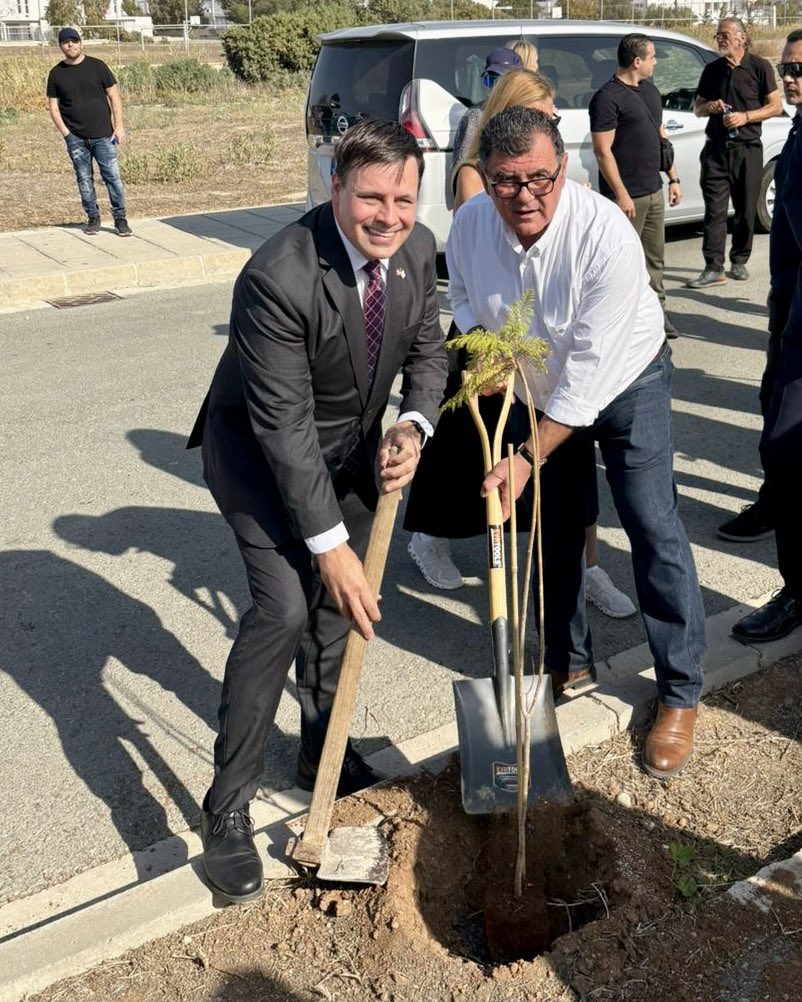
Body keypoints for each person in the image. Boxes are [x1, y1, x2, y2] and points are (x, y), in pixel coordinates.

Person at [187, 119, 448, 904]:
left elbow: (428, 350)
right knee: (287, 608)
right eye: (371, 196)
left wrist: (415, 423)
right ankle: (225, 808)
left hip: (349, 450)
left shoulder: (417, 248)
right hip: (261, 458)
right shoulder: (276, 275)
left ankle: (320, 751)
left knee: (339, 614)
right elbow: (284, 430)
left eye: (403, 197)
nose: (389, 215)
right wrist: (329, 544)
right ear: (334, 187)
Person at [448, 106, 705, 778]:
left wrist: (527, 456)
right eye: (506, 183)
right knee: (556, 533)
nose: (524, 197)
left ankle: (679, 691)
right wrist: (484, 353)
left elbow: (589, 378)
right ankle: (567, 660)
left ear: (564, 168)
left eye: (539, 179)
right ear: (486, 177)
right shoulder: (472, 224)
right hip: (536, 386)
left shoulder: (605, 237)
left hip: (626, 382)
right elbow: (466, 301)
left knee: (652, 525)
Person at [408, 70, 636, 621]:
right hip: (494, 352)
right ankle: (431, 540)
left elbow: (582, 353)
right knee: (469, 466)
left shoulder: (582, 216)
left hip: (548, 358)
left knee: (567, 471)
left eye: (553, 121)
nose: (524, 192)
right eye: (544, 113)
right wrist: (490, 348)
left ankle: (585, 569)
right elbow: (463, 287)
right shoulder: (479, 200)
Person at [718, 33, 802, 545]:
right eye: (787, 68)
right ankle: (775, 503)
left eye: (800, 70)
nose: (791, 78)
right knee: (773, 411)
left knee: (786, 437)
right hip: (787, 306)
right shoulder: (796, 133)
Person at [590, 33, 682, 339]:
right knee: (622, 263)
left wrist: (673, 177)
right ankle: (621, 324)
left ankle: (658, 316)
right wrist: (621, 195)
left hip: (654, 189)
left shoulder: (651, 92)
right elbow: (603, 151)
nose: (656, 62)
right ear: (637, 60)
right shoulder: (607, 98)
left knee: (655, 260)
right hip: (627, 197)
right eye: (652, 57)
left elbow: (660, 136)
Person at [686, 17, 781, 288]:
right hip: (715, 150)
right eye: (718, 36)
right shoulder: (712, 69)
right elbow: (697, 107)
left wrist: (746, 117)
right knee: (714, 211)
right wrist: (710, 108)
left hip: (748, 150)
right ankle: (713, 267)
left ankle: (739, 260)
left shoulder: (759, 67)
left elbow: (774, 106)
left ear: (742, 37)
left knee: (746, 208)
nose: (721, 39)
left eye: (725, 35)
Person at [46, 27, 132, 237]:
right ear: (61, 46)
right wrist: (67, 134)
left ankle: (120, 219)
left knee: (112, 177)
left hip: (104, 135)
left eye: (74, 41)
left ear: (81, 43)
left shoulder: (98, 66)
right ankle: (93, 217)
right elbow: (53, 107)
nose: (71, 45)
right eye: (66, 42)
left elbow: (115, 97)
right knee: (84, 179)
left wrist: (119, 127)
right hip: (76, 138)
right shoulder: (56, 73)